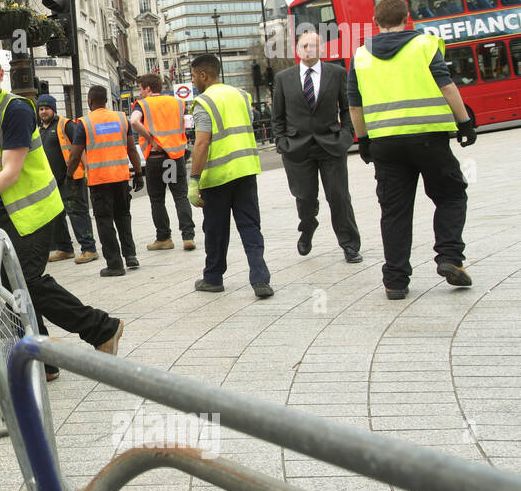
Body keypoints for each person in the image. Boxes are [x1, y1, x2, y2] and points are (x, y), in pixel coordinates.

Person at [0, 48, 124, 374]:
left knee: (27, 281)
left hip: (35, 211)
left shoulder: (17, 110)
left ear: (0, 75)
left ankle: (101, 328)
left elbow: (11, 170)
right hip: (8, 214)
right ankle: (45, 360)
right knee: (15, 285)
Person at [348, 0, 475, 301]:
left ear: (375, 22)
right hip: (429, 139)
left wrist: (363, 140)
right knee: (451, 194)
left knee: (394, 211)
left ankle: (395, 280)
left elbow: (355, 103)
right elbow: (446, 85)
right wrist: (465, 121)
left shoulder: (361, 55)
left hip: (385, 146)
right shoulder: (424, 45)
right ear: (407, 18)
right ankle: (449, 257)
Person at [187, 54, 273, 298]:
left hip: (218, 177)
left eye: (194, 76)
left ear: (204, 75)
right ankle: (260, 280)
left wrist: (194, 180)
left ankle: (213, 278)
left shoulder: (204, 102)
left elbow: (202, 143)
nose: (193, 81)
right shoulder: (242, 96)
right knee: (250, 227)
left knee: (216, 230)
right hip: (245, 170)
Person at [272, 29, 362, 262]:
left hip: (331, 145)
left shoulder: (337, 73)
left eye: (313, 45)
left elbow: (347, 108)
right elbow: (277, 116)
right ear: (297, 49)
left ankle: (350, 245)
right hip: (297, 149)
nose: (308, 50)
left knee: (339, 197)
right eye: (304, 46)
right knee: (305, 198)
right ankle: (307, 227)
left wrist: (346, 136)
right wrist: (282, 142)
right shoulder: (283, 78)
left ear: (320, 48)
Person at [129, 73, 196, 252]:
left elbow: (134, 121)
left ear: (148, 88)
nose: (140, 92)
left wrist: (151, 140)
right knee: (180, 196)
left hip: (155, 159)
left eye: (141, 88)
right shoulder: (177, 102)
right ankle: (188, 236)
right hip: (174, 158)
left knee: (157, 199)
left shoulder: (143, 105)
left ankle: (164, 237)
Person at [82, 86, 144, 277]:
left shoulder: (84, 123)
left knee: (104, 221)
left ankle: (115, 264)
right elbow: (132, 150)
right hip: (120, 178)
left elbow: (75, 154)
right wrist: (139, 173)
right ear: (107, 100)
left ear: (89, 101)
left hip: (99, 181)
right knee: (123, 217)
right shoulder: (120, 118)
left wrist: (70, 176)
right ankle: (131, 255)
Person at [36, 94, 99, 265]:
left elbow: (81, 148)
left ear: (53, 109)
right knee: (56, 215)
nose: (43, 112)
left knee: (77, 213)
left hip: (72, 179)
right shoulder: (39, 130)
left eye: (46, 108)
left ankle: (89, 249)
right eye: (40, 109)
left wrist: (88, 172)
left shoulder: (66, 125)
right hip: (51, 181)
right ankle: (65, 249)